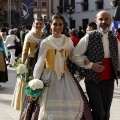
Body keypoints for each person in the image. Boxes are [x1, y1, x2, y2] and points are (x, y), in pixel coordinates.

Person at [20, 13, 92, 120]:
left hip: (65, 76)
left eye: (60, 24)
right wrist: (35, 81)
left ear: (63, 25)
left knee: (73, 103)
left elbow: (73, 57)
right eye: (55, 24)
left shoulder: (68, 41)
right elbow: (40, 63)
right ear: (50, 25)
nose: (58, 27)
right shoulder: (46, 42)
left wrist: (84, 59)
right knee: (47, 107)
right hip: (49, 77)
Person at [72, 10, 120, 120]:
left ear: (110, 21)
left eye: (106, 19)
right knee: (99, 112)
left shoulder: (114, 39)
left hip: (109, 81)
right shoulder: (88, 37)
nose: (103, 21)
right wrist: (91, 66)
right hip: (92, 80)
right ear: (96, 21)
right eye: (101, 19)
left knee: (106, 111)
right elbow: (74, 56)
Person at [11, 18, 45, 110]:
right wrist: (23, 65)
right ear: (33, 25)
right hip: (31, 61)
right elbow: (25, 52)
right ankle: (29, 104)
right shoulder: (29, 36)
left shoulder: (46, 36)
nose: (38, 25)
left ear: (43, 25)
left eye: (40, 23)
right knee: (30, 82)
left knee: (42, 83)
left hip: (43, 62)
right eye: (36, 23)